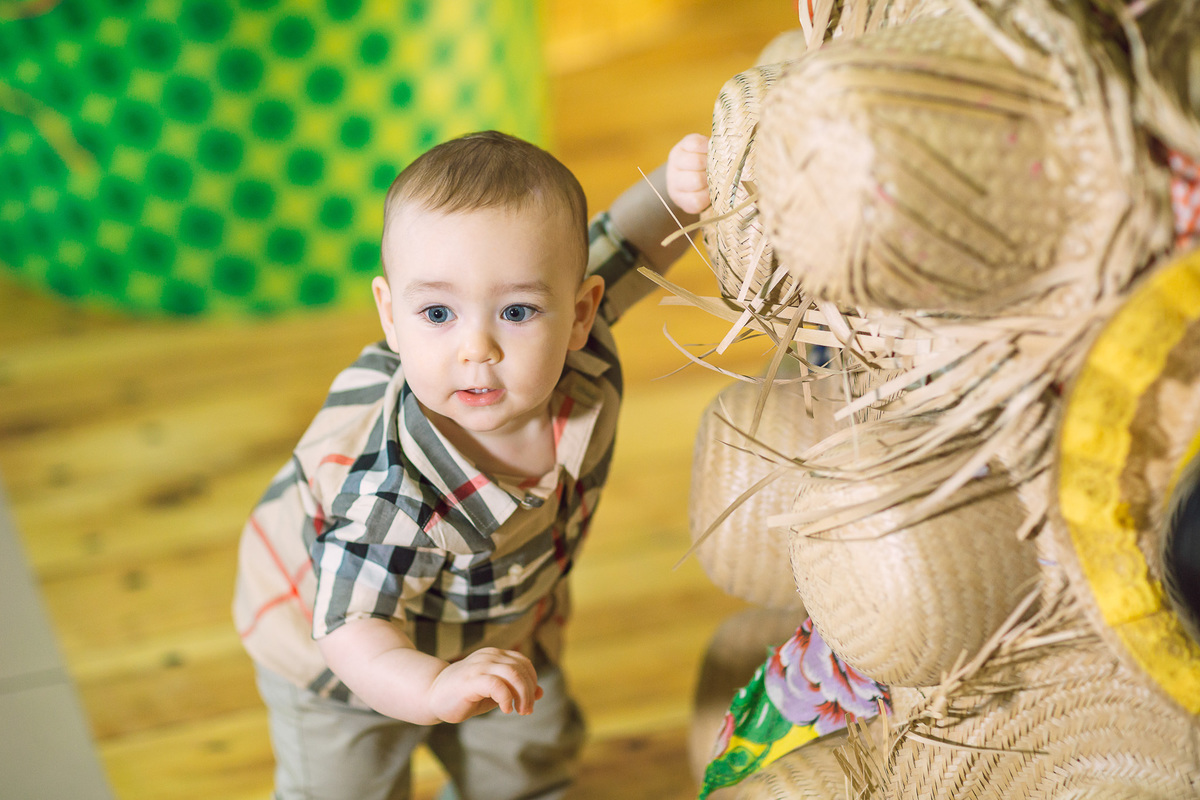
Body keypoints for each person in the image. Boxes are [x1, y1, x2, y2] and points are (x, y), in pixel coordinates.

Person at [233, 129, 710, 800]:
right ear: (390, 315)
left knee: (529, 759)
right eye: (437, 312)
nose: (477, 347)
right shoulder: (390, 490)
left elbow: (624, 242)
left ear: (579, 313)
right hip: (337, 660)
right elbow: (352, 625)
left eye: (516, 311)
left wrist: (679, 192)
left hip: (503, 621)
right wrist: (433, 688)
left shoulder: (579, 353)